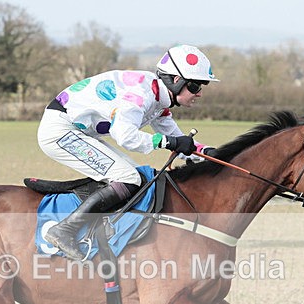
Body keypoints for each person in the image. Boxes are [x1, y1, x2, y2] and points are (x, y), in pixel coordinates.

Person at [37, 44, 219, 260]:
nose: (199, 93)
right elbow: (125, 135)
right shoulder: (141, 94)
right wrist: (168, 143)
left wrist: (208, 152)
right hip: (60, 131)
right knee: (128, 177)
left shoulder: (159, 100)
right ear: (175, 80)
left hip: (79, 132)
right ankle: (64, 230)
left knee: (139, 179)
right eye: (195, 86)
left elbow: (180, 141)